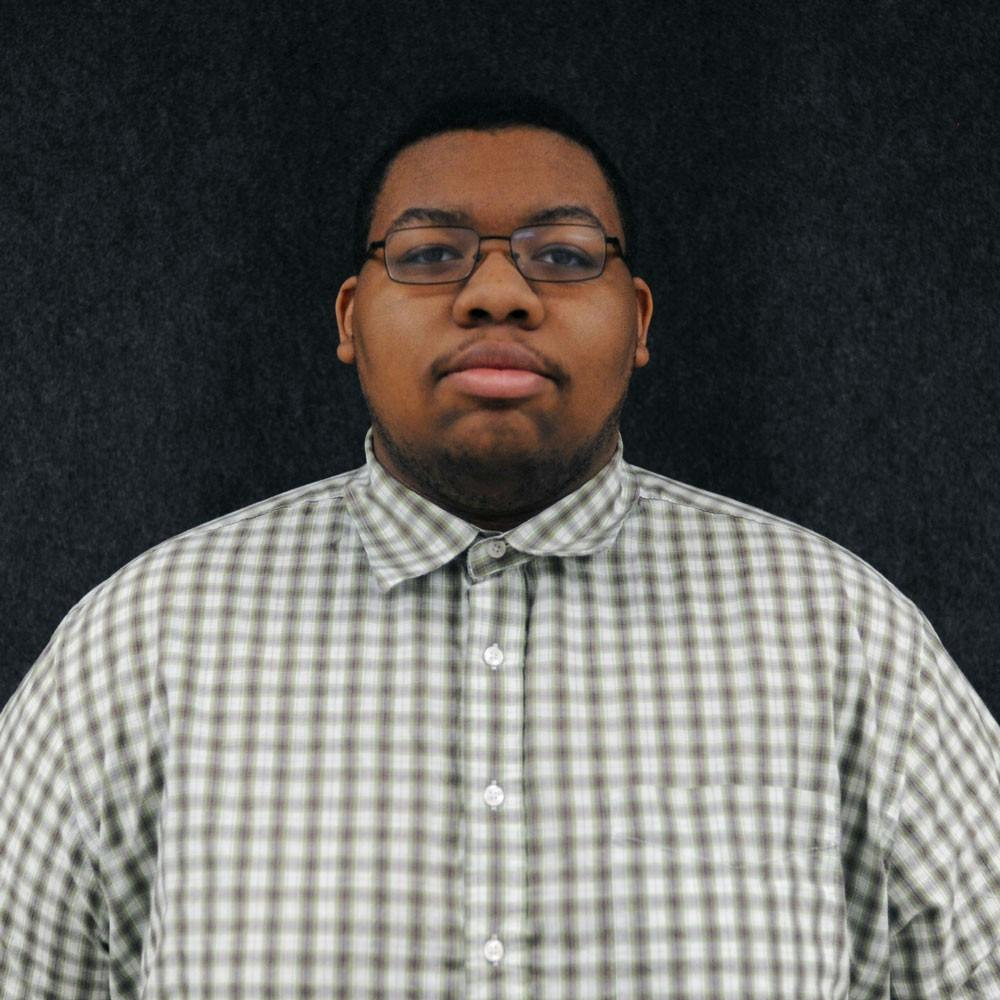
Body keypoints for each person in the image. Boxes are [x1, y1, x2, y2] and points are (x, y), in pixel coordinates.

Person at [1, 93, 998, 1000]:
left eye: (561, 255)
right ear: (350, 318)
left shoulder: (841, 637)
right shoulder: (143, 643)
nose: (496, 294)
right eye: (429, 253)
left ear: (637, 319)